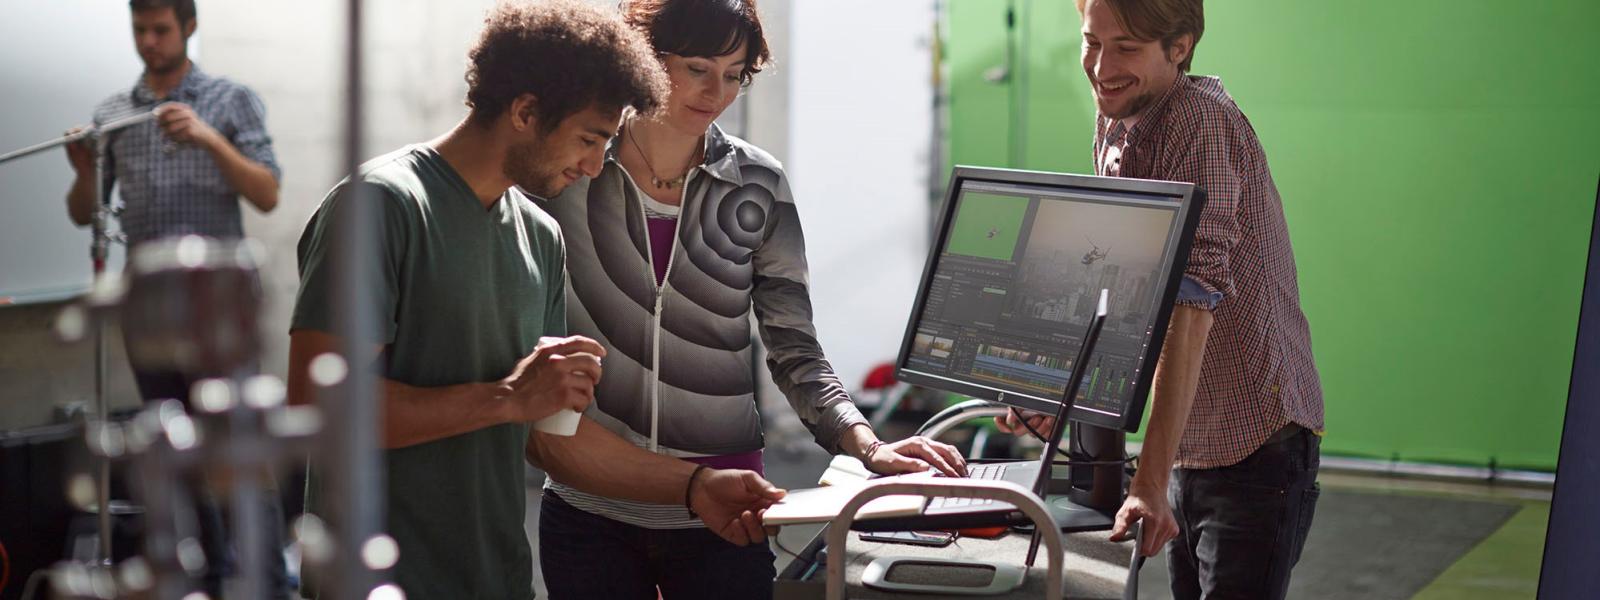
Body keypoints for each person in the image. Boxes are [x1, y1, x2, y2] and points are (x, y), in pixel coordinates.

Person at [286, 2, 783, 598]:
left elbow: (554, 432)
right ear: (525, 111)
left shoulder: (540, 237)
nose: (598, 164)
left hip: (497, 580)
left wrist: (694, 487)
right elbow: (316, 408)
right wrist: (505, 397)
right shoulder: (382, 207)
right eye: (589, 139)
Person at [533, 1, 969, 597]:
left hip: (728, 501)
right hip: (591, 504)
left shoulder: (758, 186)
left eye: (735, 74)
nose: (718, 91)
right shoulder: (575, 170)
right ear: (643, 55)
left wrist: (868, 444)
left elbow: (795, 346)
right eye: (696, 67)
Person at [999, 1, 1326, 598]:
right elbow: (1120, 286)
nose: (1101, 66)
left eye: (1125, 47)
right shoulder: (1118, 117)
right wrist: (1061, 392)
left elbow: (1188, 306)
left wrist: (1146, 484)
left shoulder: (1202, 125)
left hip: (1254, 441)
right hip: (1186, 441)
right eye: (1091, 42)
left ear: (1179, 48)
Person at [62, 1, 284, 595]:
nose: (149, 42)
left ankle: (265, 580)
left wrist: (209, 138)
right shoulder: (112, 114)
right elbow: (84, 211)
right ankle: (209, 576)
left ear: (189, 27)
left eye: (160, 29)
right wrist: (84, 171)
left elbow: (267, 193)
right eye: (140, 30)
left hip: (219, 309)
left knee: (236, 447)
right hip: (148, 312)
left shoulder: (230, 100)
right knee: (174, 444)